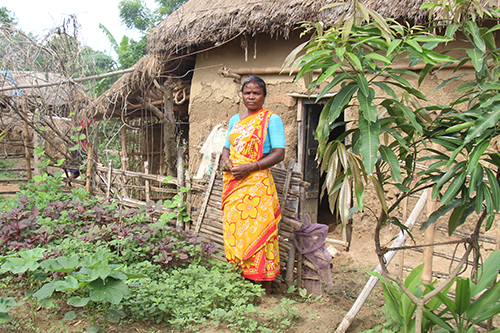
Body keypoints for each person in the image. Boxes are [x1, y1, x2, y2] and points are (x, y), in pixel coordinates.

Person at [220, 75, 285, 296]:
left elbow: (279, 153)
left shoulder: (272, 120)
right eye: (247, 92)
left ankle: (264, 289)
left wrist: (251, 167)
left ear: (264, 96)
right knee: (236, 231)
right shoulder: (234, 120)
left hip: (257, 186)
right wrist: (225, 159)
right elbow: (227, 147)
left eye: (256, 93)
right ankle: (239, 285)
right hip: (234, 186)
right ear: (242, 94)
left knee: (261, 234)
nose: (251, 96)